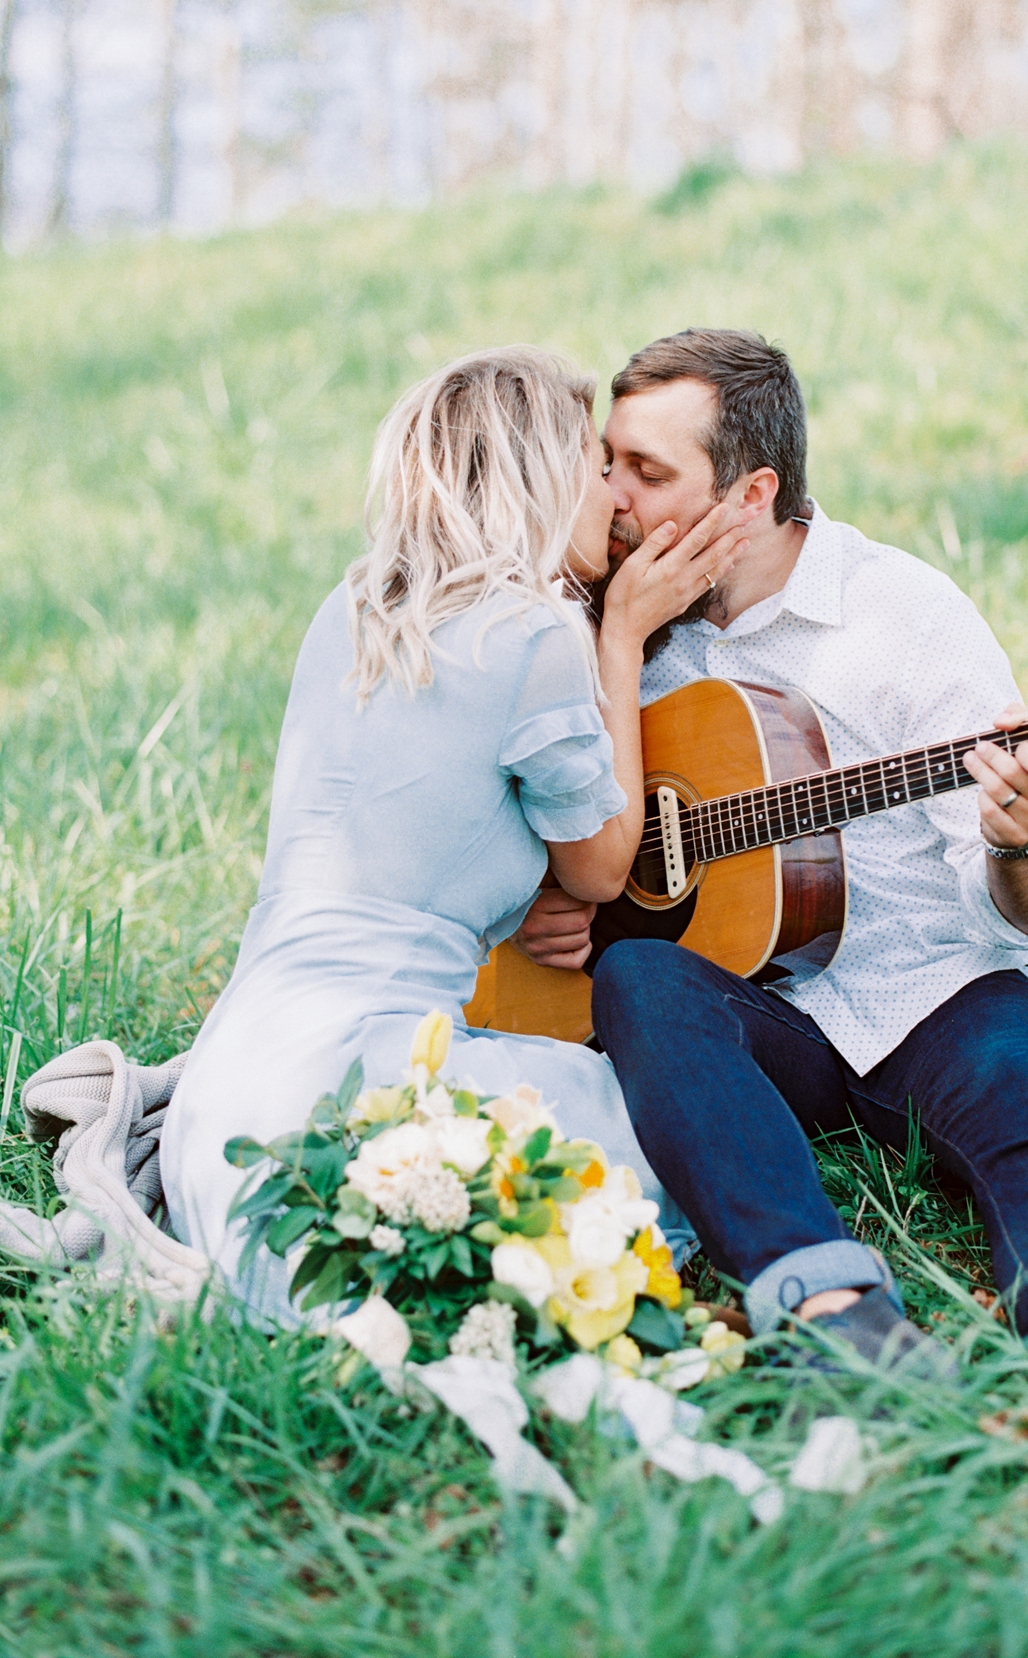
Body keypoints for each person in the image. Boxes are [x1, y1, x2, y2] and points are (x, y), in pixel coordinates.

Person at [513, 329, 1028, 1465]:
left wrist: (1023, 840)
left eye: (647, 473)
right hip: (763, 1014)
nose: (610, 496)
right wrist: (562, 903)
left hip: (931, 985)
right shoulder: (609, 616)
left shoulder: (898, 615)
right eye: (609, 461)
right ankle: (834, 1321)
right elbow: (541, 807)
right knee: (640, 974)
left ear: (752, 492)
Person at [160, 346, 748, 1326]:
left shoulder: (349, 610)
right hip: (361, 1071)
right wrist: (619, 639)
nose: (613, 492)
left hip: (226, 1100)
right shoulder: (538, 635)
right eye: (591, 463)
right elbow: (603, 864)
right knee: (675, 1131)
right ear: (537, 474)